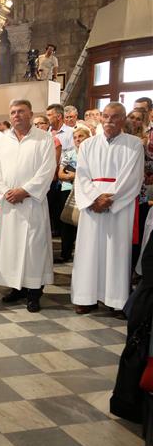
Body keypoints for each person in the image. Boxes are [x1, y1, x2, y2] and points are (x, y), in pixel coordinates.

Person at [71, 103, 145, 314]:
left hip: (119, 206)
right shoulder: (88, 145)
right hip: (92, 205)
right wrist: (94, 198)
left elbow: (133, 178)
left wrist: (111, 199)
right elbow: (82, 176)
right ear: (101, 118)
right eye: (106, 116)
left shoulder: (134, 145)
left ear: (123, 120)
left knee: (116, 251)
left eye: (114, 117)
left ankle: (115, 299)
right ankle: (86, 297)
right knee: (88, 250)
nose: (109, 121)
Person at [0, 99, 57, 312]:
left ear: (30, 113)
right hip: (9, 203)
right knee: (12, 248)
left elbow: (47, 170)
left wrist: (24, 191)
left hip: (32, 203)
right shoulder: (0, 141)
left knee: (33, 248)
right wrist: (6, 192)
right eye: (13, 112)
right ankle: (16, 288)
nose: (16, 115)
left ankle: (34, 292)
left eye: (21, 111)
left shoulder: (44, 138)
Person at [56, 126, 91, 263]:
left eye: (81, 136)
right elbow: (60, 174)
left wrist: (74, 175)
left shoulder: (92, 153)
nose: (78, 140)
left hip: (86, 191)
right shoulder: (69, 153)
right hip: (68, 190)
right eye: (75, 138)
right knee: (67, 223)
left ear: (88, 137)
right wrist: (75, 177)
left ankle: (84, 255)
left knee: (84, 223)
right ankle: (65, 253)